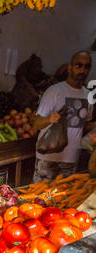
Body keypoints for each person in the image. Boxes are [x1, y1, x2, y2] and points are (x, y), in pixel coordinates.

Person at [32, 51, 95, 182]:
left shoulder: (89, 96)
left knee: (63, 201)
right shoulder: (54, 91)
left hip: (71, 160)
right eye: (79, 65)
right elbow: (36, 124)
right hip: (48, 160)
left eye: (87, 66)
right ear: (70, 67)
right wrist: (49, 119)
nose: (83, 70)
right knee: (40, 199)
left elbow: (84, 126)